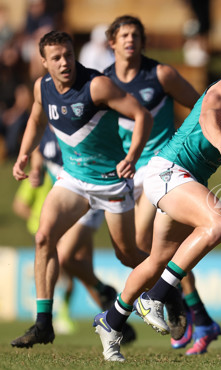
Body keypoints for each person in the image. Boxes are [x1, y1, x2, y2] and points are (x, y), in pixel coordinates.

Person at [93, 39, 221, 362]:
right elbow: (207, 114)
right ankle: (157, 297)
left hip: (186, 180)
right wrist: (220, 139)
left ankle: (111, 321)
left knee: (157, 260)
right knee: (220, 221)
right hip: (168, 171)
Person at [10, 30, 152, 348]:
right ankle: (43, 324)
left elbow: (141, 115)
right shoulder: (42, 88)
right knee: (44, 237)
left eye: (69, 55)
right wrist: (23, 153)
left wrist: (131, 156)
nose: (65, 63)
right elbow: (36, 119)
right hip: (73, 180)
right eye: (57, 58)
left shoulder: (96, 85)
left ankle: (168, 293)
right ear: (44, 62)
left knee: (128, 254)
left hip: (110, 180)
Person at [103, 15, 217, 354]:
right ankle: (191, 309)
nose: (130, 40)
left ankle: (181, 308)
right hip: (126, 171)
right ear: (112, 42)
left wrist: (189, 143)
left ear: (143, 40)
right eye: (124, 35)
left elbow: (202, 107)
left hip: (162, 169)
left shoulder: (161, 74)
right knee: (132, 254)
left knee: (152, 249)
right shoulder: (103, 82)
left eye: (136, 35)